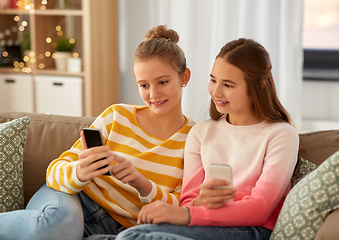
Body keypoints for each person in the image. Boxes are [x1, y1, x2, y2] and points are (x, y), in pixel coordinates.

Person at [0, 25, 195, 240]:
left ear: (184, 77)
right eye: (144, 85)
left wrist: (141, 182)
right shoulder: (116, 116)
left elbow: (181, 210)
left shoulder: (195, 139)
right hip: (72, 202)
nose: (153, 94)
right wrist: (81, 171)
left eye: (163, 82)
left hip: (123, 230)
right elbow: (54, 172)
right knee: (53, 228)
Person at [114, 38, 300, 240]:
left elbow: (260, 209)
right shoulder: (202, 133)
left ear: (259, 85)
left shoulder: (281, 134)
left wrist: (187, 214)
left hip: (252, 230)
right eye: (213, 80)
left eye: (228, 85)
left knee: (133, 237)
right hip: (205, 224)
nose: (216, 92)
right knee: (132, 235)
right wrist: (201, 202)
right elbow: (189, 202)